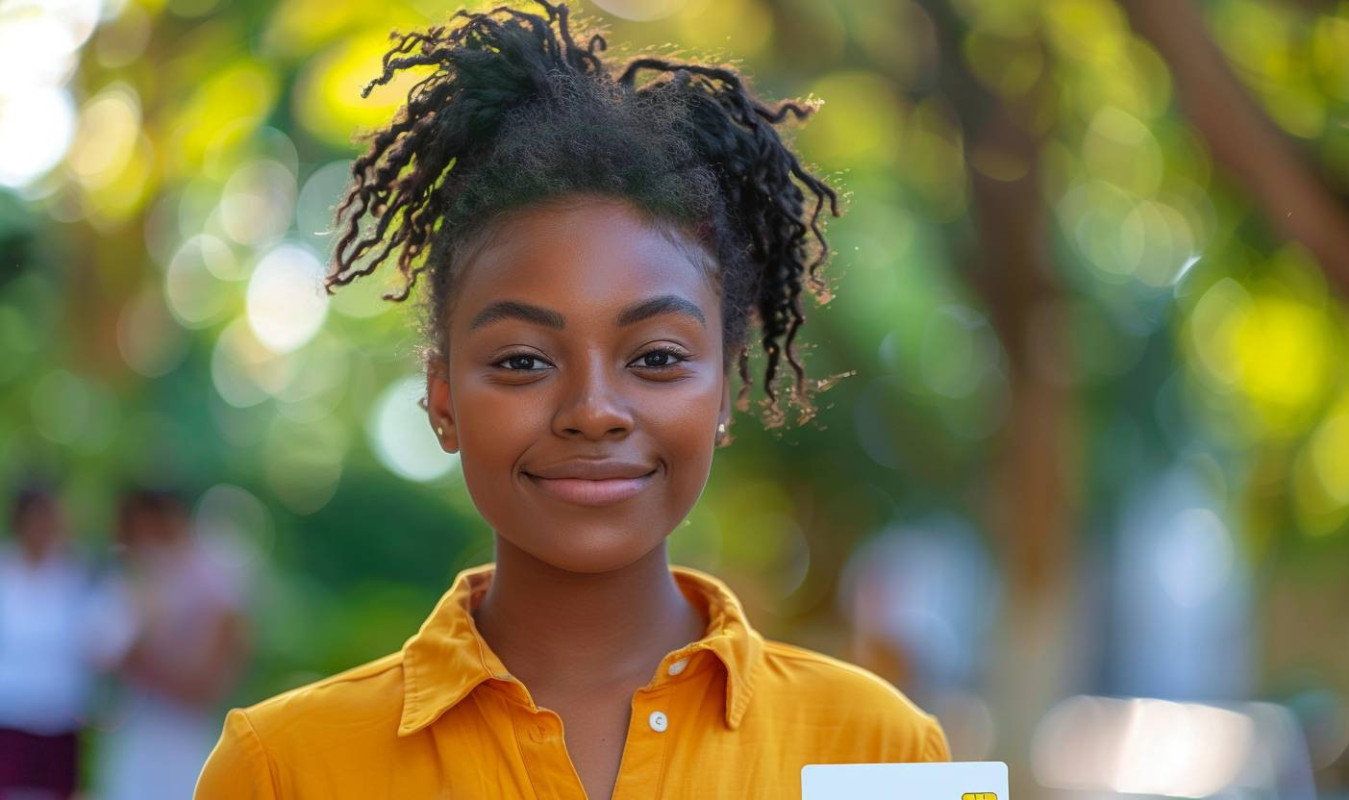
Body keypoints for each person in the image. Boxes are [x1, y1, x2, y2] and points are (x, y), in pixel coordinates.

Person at [196, 2, 951, 796]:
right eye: (523, 360)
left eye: (657, 357)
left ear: (723, 391)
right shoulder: (283, 768)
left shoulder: (884, 752)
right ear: (442, 399)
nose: (594, 409)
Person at [97, 488, 250, 800]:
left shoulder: (218, 582)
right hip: (135, 738)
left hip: (189, 742)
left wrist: (149, 659)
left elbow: (207, 684)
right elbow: (103, 656)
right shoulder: (129, 582)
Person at [0, 484, 125, 800]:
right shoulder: (6, 571)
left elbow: (101, 638)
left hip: (60, 718)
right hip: (10, 715)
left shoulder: (77, 573)